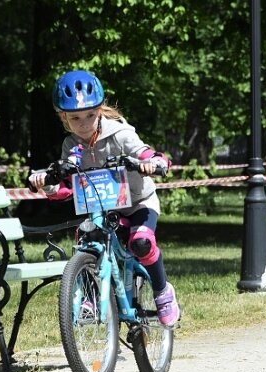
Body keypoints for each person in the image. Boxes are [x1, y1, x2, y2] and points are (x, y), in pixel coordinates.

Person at [28, 69, 181, 328]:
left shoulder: (121, 133)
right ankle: (89, 296)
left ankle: (162, 291)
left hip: (138, 204)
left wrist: (153, 162)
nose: (84, 123)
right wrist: (48, 185)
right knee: (86, 238)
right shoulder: (70, 145)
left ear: (99, 110)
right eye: (75, 118)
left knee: (142, 243)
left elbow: (146, 153)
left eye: (90, 115)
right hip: (104, 208)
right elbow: (69, 186)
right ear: (64, 118)